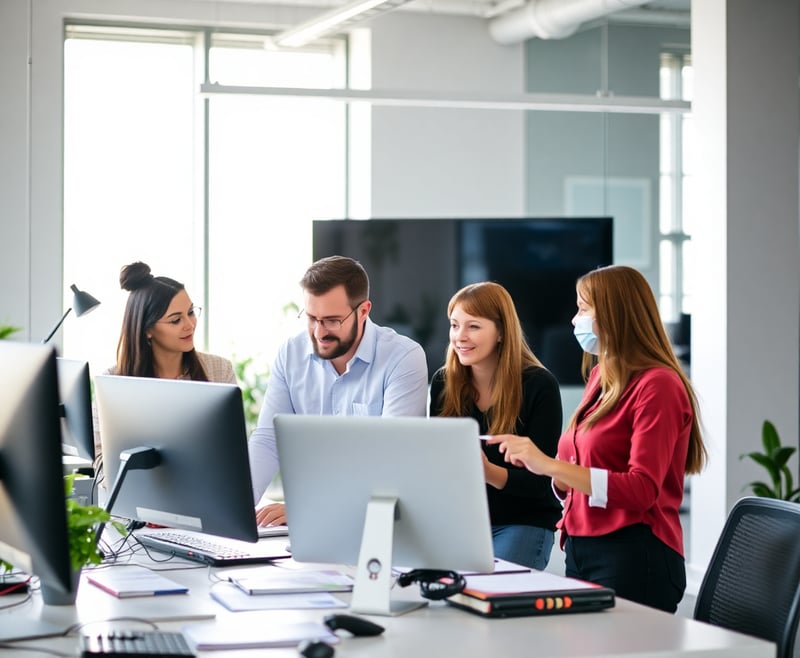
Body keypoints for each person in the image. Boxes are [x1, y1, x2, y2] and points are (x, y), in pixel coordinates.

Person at [489, 265, 707, 613]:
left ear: (615, 314)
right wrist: (553, 474)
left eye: (584, 308)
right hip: (583, 547)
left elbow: (641, 490)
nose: (575, 319)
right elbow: (585, 469)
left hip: (634, 552)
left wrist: (547, 464)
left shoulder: (658, 386)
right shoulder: (599, 376)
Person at [249, 255, 429, 527]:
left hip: (378, 521)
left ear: (364, 310)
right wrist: (235, 507)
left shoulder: (403, 358)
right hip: (308, 525)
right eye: (311, 318)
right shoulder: (291, 353)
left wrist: (309, 507)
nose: (319, 332)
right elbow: (268, 441)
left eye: (332, 321)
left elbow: (391, 459)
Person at [429, 282, 563, 570]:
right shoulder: (444, 382)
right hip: (463, 522)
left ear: (501, 332)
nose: (459, 337)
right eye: (455, 325)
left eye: (473, 326)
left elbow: (543, 484)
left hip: (521, 520)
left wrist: (487, 472)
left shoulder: (539, 385)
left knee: (490, 591)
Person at [94, 261, 236, 475]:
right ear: (147, 329)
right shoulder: (114, 380)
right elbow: (101, 459)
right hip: (136, 500)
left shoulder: (219, 371)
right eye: (175, 320)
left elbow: (232, 450)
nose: (189, 324)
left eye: (190, 312)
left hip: (201, 494)